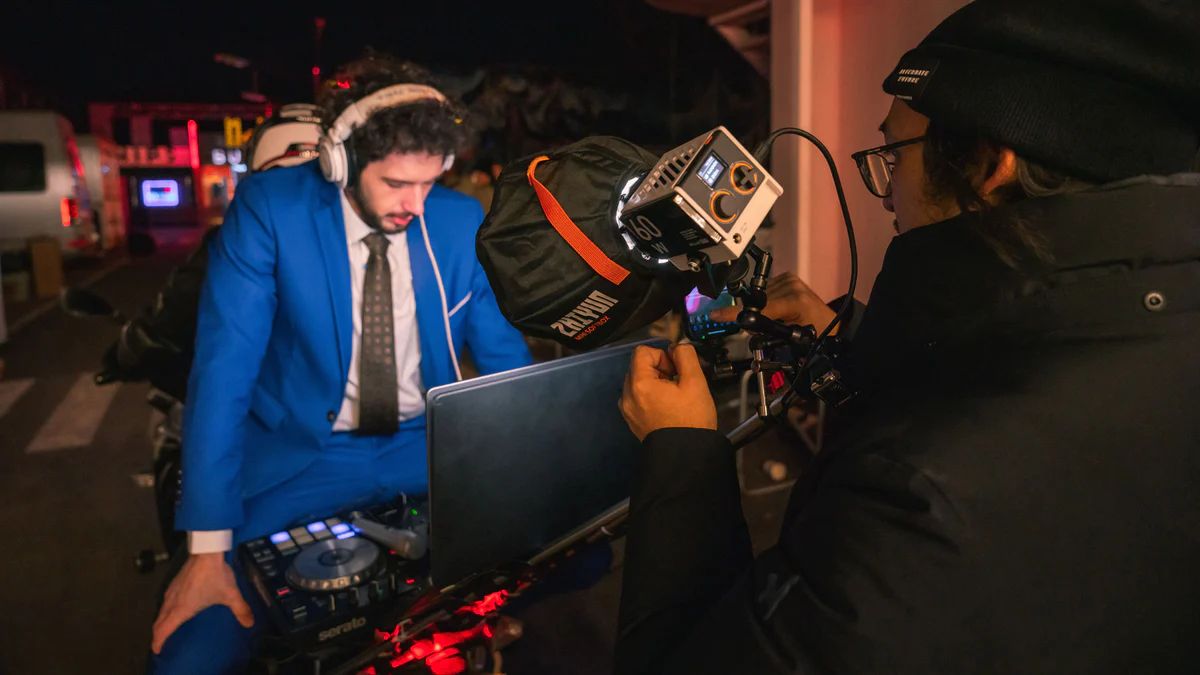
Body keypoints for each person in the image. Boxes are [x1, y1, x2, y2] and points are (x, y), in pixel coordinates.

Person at [615, 1, 1200, 673]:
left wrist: (682, 452)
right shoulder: (1159, 317)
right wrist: (855, 345)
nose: (887, 193)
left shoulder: (920, 504)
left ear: (990, 164)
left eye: (893, 155)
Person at [148, 54, 532, 673]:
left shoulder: (459, 221)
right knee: (191, 656)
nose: (416, 205)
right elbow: (223, 373)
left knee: (580, 554)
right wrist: (206, 553)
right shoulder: (271, 209)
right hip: (302, 461)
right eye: (397, 183)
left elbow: (504, 363)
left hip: (423, 450)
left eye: (430, 182)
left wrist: (536, 471)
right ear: (342, 161)